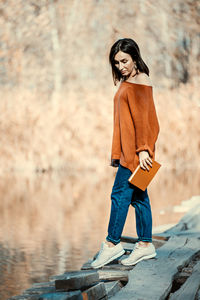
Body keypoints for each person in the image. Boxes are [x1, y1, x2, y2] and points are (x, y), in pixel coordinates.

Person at [91, 38, 160, 269]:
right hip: (129, 151)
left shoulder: (140, 80)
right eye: (117, 62)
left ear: (134, 57)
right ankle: (145, 244)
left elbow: (145, 120)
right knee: (139, 198)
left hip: (136, 153)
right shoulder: (127, 80)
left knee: (119, 195)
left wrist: (142, 150)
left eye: (124, 61)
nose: (120, 66)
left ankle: (112, 244)